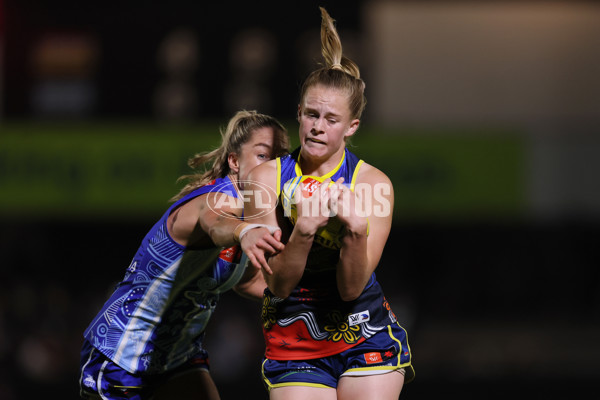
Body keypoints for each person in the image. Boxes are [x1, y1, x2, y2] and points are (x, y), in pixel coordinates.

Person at [244, 8, 414, 400]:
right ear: (299, 114)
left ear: (352, 127)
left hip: (363, 330)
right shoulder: (266, 179)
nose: (318, 126)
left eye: (331, 119)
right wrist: (303, 231)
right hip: (294, 333)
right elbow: (279, 284)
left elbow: (352, 287)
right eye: (311, 114)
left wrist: (355, 231)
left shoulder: (373, 184)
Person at [79, 110, 290, 400]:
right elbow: (217, 224)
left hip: (178, 356)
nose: (275, 166)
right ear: (234, 161)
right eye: (264, 155)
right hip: (122, 354)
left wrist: (317, 296)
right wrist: (244, 232)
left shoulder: (256, 213)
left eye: (282, 157)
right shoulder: (216, 200)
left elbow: (249, 282)